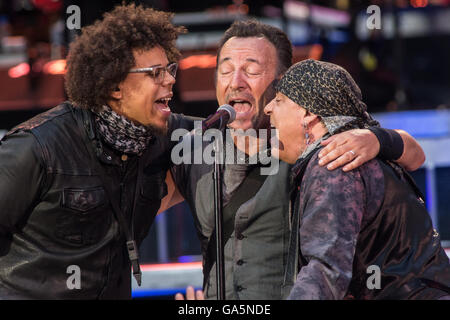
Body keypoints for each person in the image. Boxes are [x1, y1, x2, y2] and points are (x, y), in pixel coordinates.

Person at [172, 20, 426, 300]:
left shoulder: (317, 149)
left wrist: (376, 138)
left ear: (283, 83)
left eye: (252, 70)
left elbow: (415, 154)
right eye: (226, 70)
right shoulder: (197, 147)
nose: (236, 82)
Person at [0, 4, 192, 299]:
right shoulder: (35, 146)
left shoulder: (159, 135)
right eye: (155, 72)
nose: (169, 80)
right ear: (115, 85)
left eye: (169, 69)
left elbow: (229, 135)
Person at [264, 59, 450, 299]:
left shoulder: (333, 163)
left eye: (279, 100)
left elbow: (325, 271)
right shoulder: (359, 150)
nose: (268, 108)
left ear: (308, 113)